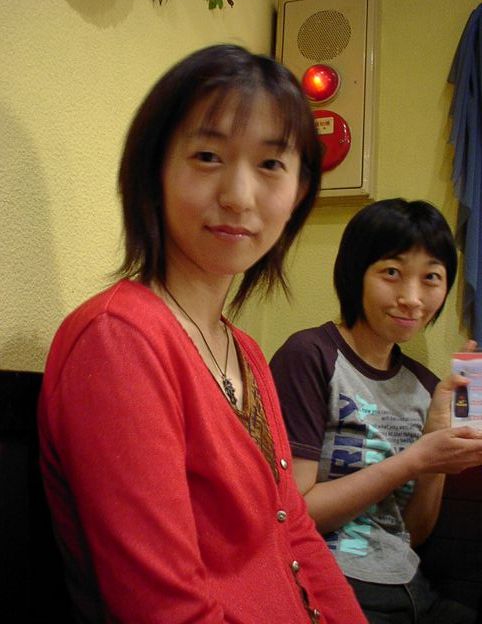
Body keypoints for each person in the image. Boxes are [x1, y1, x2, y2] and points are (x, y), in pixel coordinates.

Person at [37, 44, 367, 624]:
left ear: (298, 192)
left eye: (271, 165)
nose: (238, 196)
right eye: (208, 156)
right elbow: (163, 609)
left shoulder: (246, 352)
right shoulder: (119, 342)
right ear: (155, 171)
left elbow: (295, 534)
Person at [270, 198, 482, 624]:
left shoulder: (425, 385)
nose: (412, 299)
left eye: (431, 278)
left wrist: (435, 450)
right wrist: (415, 459)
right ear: (355, 273)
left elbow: (412, 533)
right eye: (391, 273)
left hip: (412, 588)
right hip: (329, 580)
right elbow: (297, 512)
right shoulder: (310, 355)